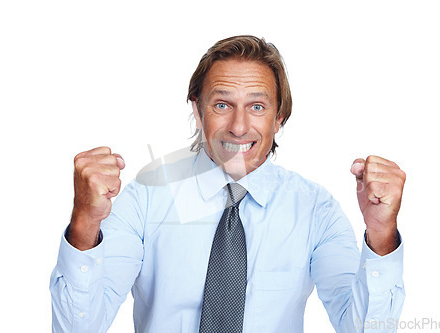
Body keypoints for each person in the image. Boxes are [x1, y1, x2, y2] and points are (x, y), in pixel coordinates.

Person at [50, 35, 406, 332]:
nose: (238, 126)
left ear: (279, 117)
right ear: (197, 108)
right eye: (222, 104)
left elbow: (365, 328)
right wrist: (84, 224)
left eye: (257, 107)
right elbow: (79, 326)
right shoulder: (145, 198)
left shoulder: (315, 209)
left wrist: (381, 233)